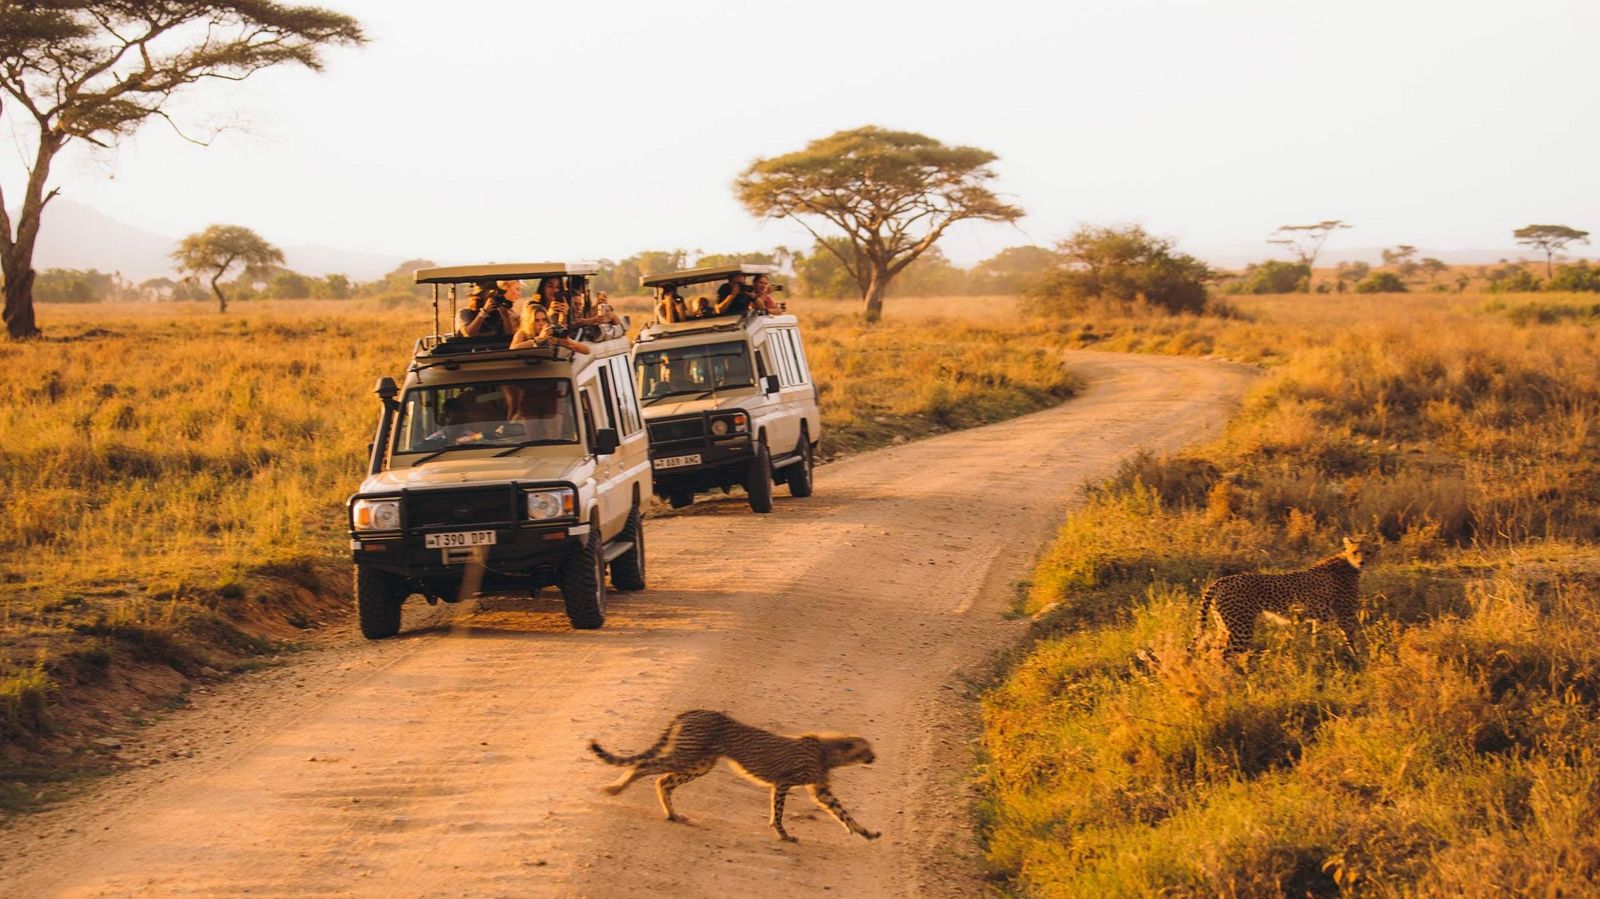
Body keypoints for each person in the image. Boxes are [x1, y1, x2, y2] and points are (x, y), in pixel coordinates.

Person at [512, 304, 591, 354]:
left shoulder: (551, 334)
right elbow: (512, 349)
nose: (541, 323)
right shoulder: (522, 333)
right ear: (530, 322)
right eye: (536, 320)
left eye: (544, 319)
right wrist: (538, 339)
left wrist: (565, 341)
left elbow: (586, 351)